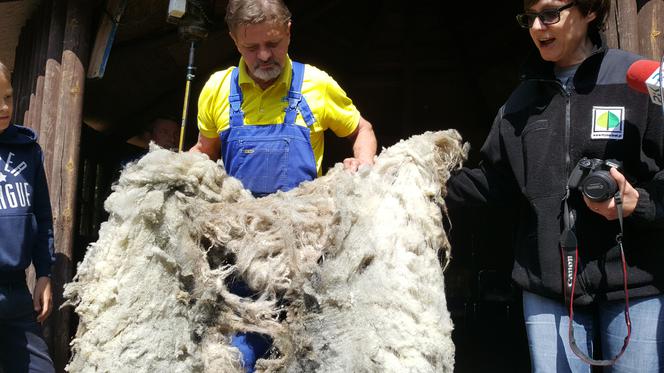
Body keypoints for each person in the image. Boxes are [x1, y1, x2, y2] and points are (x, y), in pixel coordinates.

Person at [446, 1, 664, 372]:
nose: (536, 28)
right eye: (528, 18)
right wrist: (413, 179)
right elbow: (496, 183)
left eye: (549, 14)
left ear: (589, 11)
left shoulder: (639, 81)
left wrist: (638, 203)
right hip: (548, 285)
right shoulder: (519, 103)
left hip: (635, 285)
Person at [190, 0, 377, 198]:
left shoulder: (317, 83)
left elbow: (361, 130)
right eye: (251, 47)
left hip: (303, 224)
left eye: (272, 43)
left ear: (288, 32)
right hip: (235, 225)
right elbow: (205, 150)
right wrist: (177, 171)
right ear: (235, 41)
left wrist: (363, 168)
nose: (263, 56)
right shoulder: (217, 87)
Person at [0, 61, 56, 372]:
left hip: (16, 292)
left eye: (7, 97)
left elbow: (42, 217)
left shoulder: (27, 150)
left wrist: (44, 273)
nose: (3, 107)